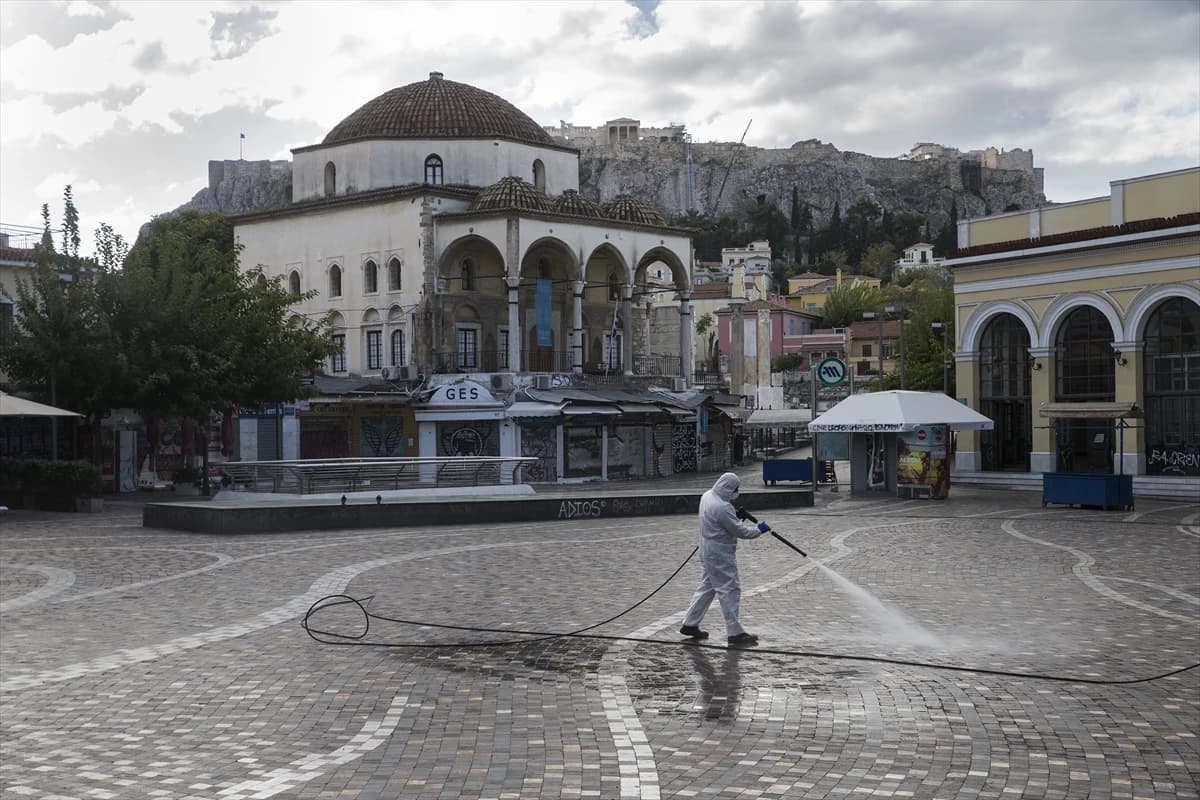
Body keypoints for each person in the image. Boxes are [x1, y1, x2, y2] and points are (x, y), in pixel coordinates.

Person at [680, 472, 770, 646]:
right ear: (729, 488)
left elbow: (722, 521)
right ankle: (735, 632)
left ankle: (690, 624)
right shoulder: (722, 507)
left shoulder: (707, 496)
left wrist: (734, 517)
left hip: (707, 549)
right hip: (719, 553)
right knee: (729, 589)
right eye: (735, 489)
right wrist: (759, 530)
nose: (736, 493)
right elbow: (741, 532)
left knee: (707, 587)